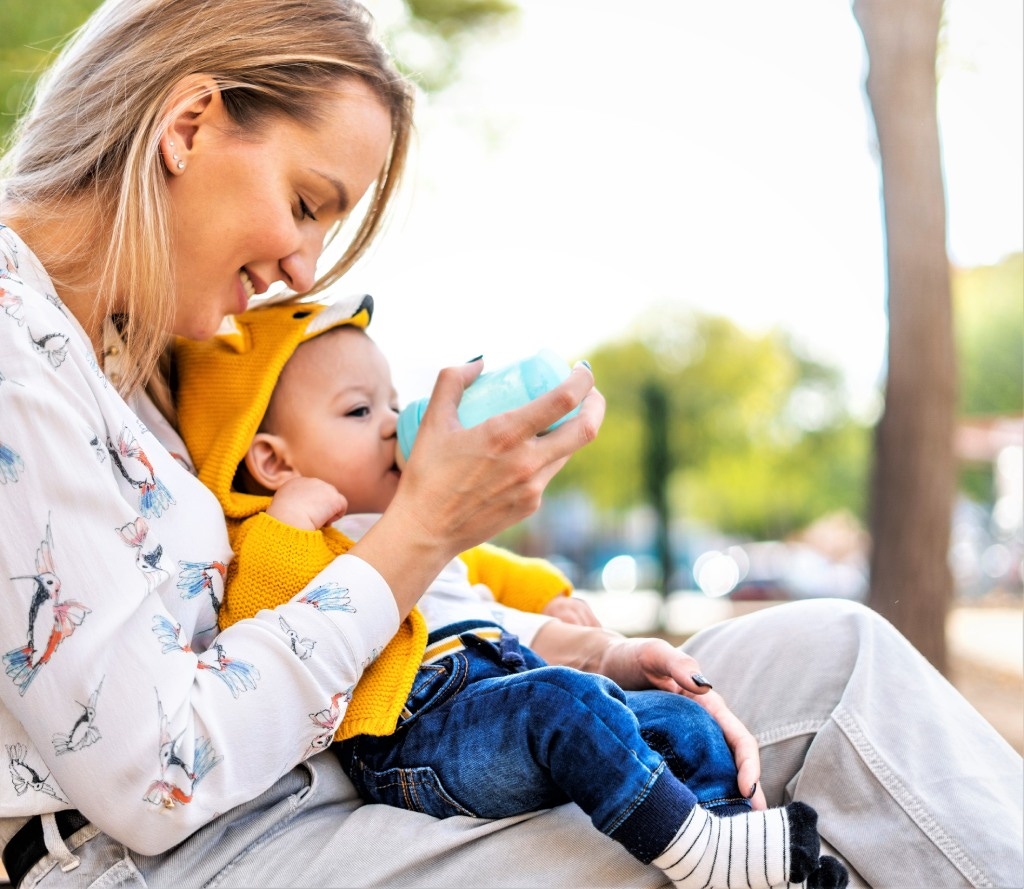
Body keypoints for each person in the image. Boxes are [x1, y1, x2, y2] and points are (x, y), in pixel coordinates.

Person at [0, 0, 1019, 887]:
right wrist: (424, 527)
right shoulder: (14, 348)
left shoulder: (128, 361)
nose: (301, 264)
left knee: (832, 661)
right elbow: (156, 773)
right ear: (187, 124)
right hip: (168, 854)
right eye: (307, 203)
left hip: (333, 773)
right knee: (726, 826)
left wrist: (571, 634)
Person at [173, 297, 850, 889]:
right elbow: (260, 626)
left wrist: (607, 647)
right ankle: (695, 850)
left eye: (389, 402)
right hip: (414, 743)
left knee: (682, 722)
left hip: (505, 693)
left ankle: (739, 854)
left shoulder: (414, 528)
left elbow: (502, 604)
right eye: (357, 409)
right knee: (563, 702)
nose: (391, 423)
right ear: (272, 459)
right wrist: (288, 519)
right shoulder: (285, 538)